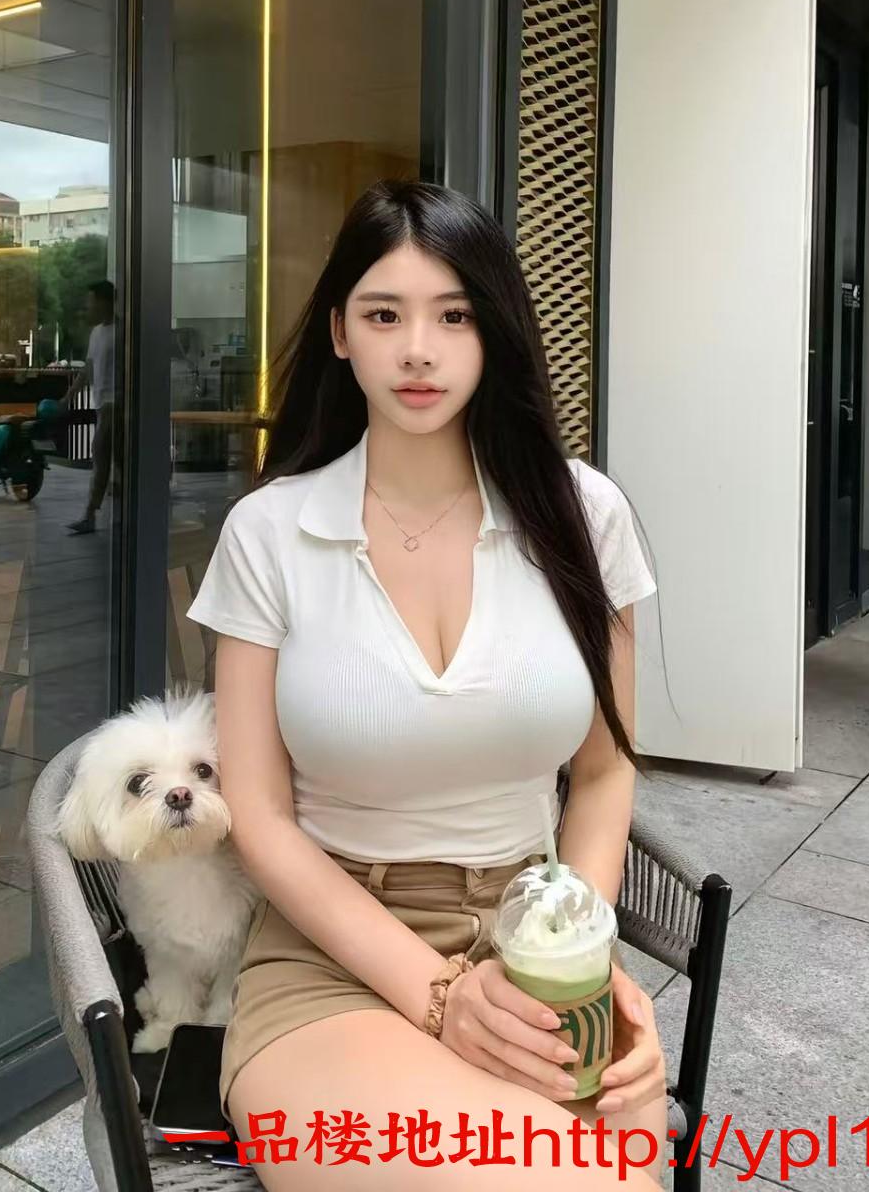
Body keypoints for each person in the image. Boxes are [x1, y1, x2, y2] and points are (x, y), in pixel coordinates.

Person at [187, 180, 667, 1188]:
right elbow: (261, 818)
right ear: (339, 333)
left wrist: (578, 956)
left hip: (535, 932)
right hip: (332, 954)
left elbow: (604, 772)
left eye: (454, 315)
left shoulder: (584, 516)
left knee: (623, 1173)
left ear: (495, 332)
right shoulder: (270, 532)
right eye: (383, 315)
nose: (418, 350)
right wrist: (444, 995)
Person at [60, 279, 115, 536]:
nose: (88, 306)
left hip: (116, 405)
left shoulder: (123, 332)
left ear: (104, 302)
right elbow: (88, 368)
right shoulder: (97, 333)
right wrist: (69, 396)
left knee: (101, 455)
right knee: (104, 459)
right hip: (102, 405)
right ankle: (94, 513)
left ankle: (90, 514)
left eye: (91, 301)